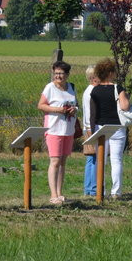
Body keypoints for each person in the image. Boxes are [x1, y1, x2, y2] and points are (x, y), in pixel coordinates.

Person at [38, 61, 78, 205]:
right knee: (54, 161)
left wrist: (74, 109)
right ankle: (53, 194)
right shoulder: (49, 88)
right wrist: (57, 110)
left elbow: (75, 104)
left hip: (68, 129)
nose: (58, 76)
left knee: (63, 161)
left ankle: (60, 192)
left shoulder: (71, 88)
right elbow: (41, 105)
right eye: (56, 73)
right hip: (54, 129)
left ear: (67, 74)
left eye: (61, 73)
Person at [90, 58, 130, 199]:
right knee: (116, 160)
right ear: (111, 73)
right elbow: (125, 106)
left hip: (100, 127)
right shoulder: (117, 88)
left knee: (101, 160)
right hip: (117, 127)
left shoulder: (95, 90)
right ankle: (116, 192)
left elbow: (93, 112)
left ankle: (101, 190)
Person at [81, 65, 99, 197]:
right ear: (93, 77)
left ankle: (89, 188)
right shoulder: (92, 92)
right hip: (90, 127)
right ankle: (92, 189)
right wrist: (91, 131)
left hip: (87, 127)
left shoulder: (89, 90)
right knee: (94, 158)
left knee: (91, 158)